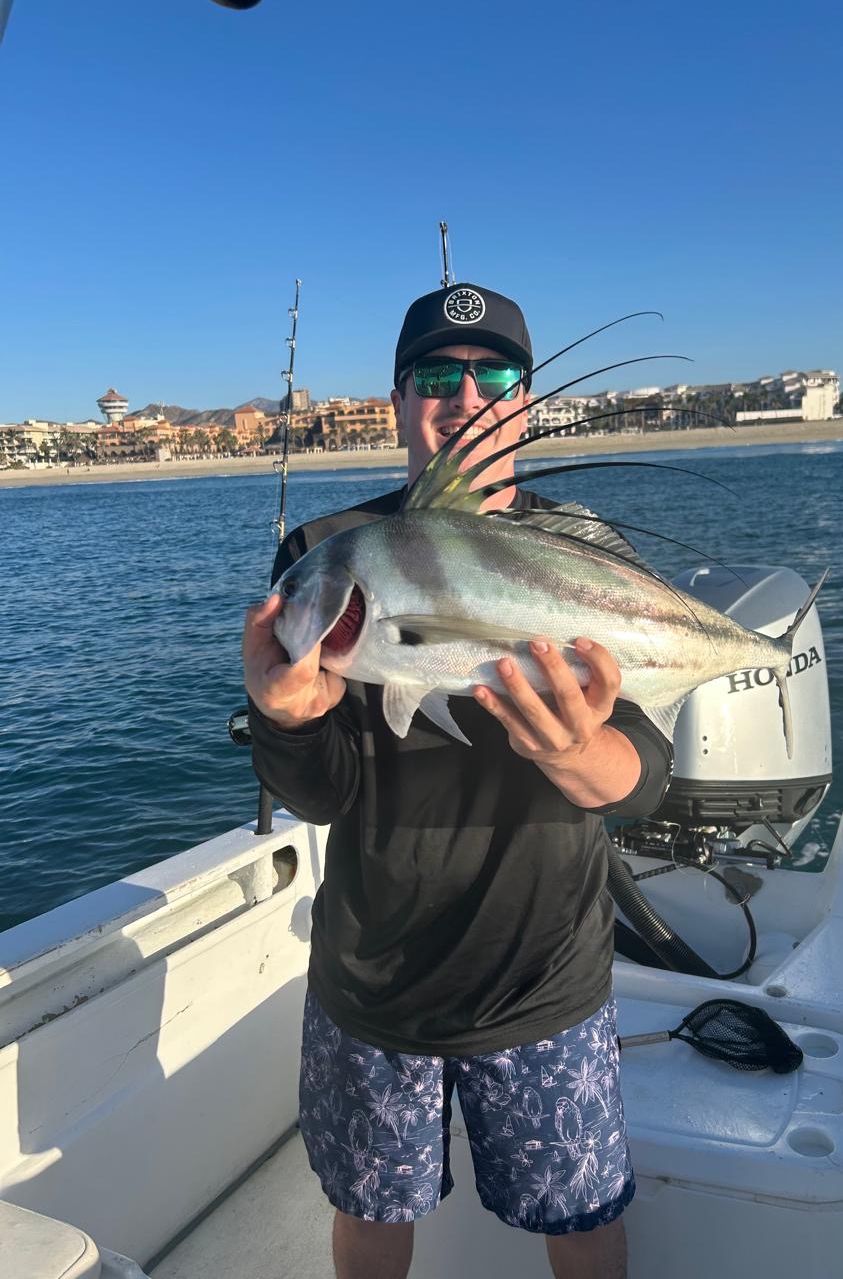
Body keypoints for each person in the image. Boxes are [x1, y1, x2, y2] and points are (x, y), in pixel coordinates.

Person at [242, 283, 673, 1279]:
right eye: (437, 374)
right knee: (370, 1217)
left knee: (584, 1220)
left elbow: (642, 775)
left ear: (525, 400)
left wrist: (576, 753)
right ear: (398, 401)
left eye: (495, 374)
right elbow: (321, 791)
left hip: (546, 976)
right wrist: (287, 716)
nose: (466, 393)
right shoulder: (323, 552)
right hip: (374, 980)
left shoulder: (589, 552)